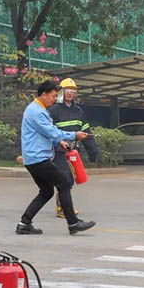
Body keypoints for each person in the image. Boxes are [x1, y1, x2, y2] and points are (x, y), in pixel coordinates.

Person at [16, 80, 95, 235]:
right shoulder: (36, 112)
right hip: (38, 159)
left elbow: (47, 134)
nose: (54, 99)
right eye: (52, 96)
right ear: (44, 94)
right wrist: (74, 135)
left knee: (46, 191)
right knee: (64, 184)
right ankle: (73, 223)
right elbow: (52, 131)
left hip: (34, 158)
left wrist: (59, 142)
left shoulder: (39, 109)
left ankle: (24, 223)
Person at [48, 77, 98, 219]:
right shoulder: (53, 110)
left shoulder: (78, 111)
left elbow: (86, 131)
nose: (70, 93)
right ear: (61, 92)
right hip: (58, 150)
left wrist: (92, 151)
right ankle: (63, 208)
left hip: (73, 151)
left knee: (70, 180)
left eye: (73, 91)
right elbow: (48, 131)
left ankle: (62, 205)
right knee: (65, 179)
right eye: (68, 90)